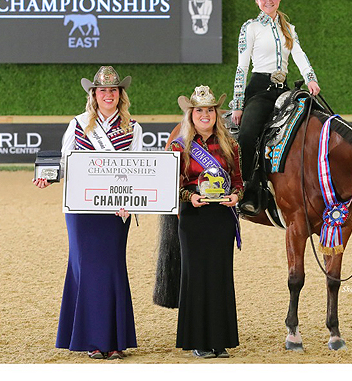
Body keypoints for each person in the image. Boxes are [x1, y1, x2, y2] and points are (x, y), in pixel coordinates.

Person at [33, 66, 143, 360]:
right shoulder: (78, 124)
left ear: (120, 95)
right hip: (82, 210)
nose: (108, 95)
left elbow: (137, 168)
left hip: (116, 209)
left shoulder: (133, 127)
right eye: (102, 90)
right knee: (87, 269)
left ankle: (115, 339)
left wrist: (130, 200)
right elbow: (64, 162)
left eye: (113, 90)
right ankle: (94, 340)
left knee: (113, 268)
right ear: (94, 95)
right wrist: (48, 177)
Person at [230, 0, 321, 215]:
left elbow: (299, 55)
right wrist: (238, 103)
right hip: (259, 89)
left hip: (283, 90)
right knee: (247, 134)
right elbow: (242, 67)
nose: (268, 1)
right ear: (257, 0)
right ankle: (247, 189)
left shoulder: (289, 28)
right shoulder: (250, 28)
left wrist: (310, 78)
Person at [168, 85, 243, 359]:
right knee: (197, 277)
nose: (205, 115)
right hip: (194, 217)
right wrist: (190, 196)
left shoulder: (230, 145)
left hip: (221, 217)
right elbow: (170, 185)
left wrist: (236, 196)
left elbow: (238, 181)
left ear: (216, 114)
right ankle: (199, 341)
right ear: (191, 114)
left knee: (220, 276)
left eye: (210, 110)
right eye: (199, 110)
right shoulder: (179, 146)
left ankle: (220, 341)